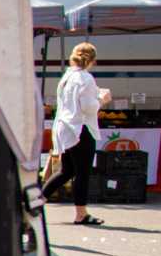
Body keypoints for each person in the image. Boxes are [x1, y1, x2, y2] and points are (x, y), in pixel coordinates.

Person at [44, 41, 112, 225]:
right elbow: (89, 107)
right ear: (92, 60)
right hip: (80, 129)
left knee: (66, 171)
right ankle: (81, 213)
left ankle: (34, 202)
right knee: (82, 172)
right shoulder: (86, 78)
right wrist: (102, 100)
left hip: (65, 127)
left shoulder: (67, 76)